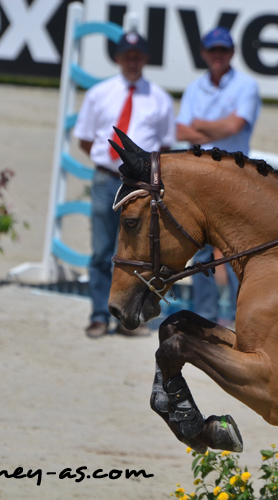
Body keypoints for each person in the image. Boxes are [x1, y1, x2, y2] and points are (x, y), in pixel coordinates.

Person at [74, 31, 175, 338]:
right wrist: (108, 161)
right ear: (118, 59)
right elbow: (84, 138)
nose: (133, 62)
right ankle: (98, 315)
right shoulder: (99, 93)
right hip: (107, 177)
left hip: (142, 185)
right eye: (127, 56)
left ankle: (126, 317)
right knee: (102, 249)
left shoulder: (159, 98)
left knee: (137, 252)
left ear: (145, 59)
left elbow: (166, 146)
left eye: (138, 56)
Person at [175, 26, 261, 325]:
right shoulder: (195, 87)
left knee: (238, 250)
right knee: (201, 253)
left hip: (233, 176)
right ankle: (205, 316)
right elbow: (181, 131)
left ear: (232, 53)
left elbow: (234, 127)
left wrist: (199, 126)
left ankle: (242, 317)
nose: (218, 56)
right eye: (213, 50)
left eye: (222, 50)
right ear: (204, 53)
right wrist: (216, 126)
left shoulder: (246, 85)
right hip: (201, 176)